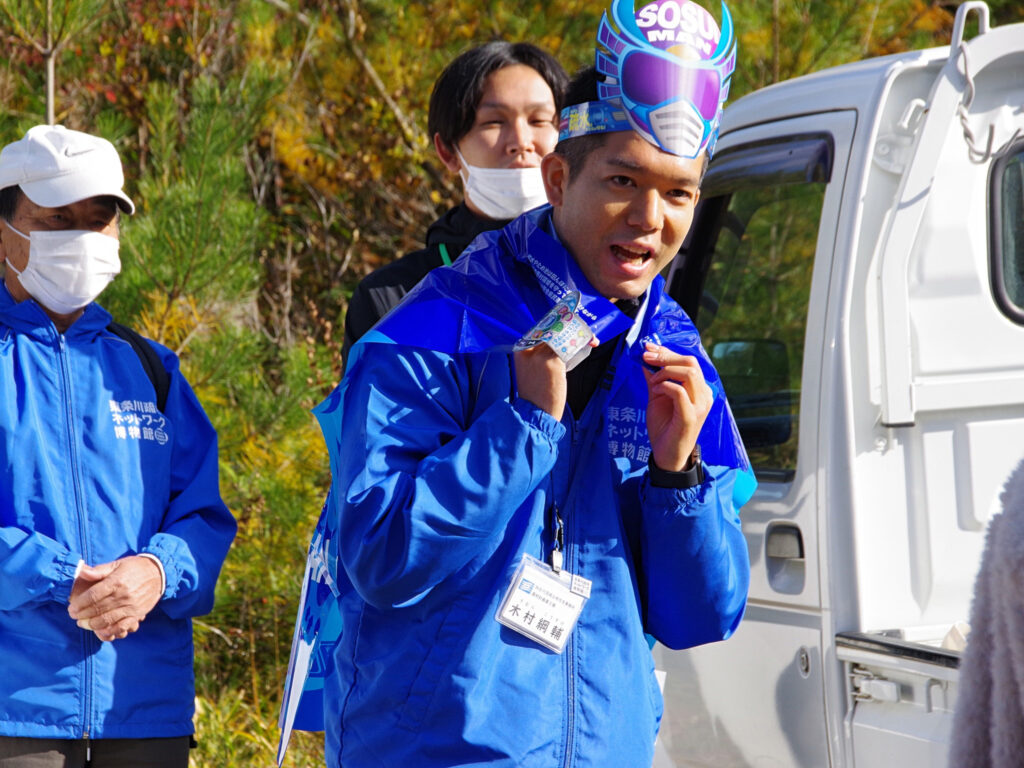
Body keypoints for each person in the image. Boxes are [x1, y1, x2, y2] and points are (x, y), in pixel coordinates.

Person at [313, 0, 751, 765]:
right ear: (557, 176)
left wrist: (677, 475)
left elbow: (699, 617)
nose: (649, 218)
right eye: (622, 180)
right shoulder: (436, 327)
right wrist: (522, 427)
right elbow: (380, 560)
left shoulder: (673, 347)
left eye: (679, 193)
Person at [0, 124, 236, 768]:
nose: (80, 236)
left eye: (97, 220)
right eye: (55, 220)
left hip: (143, 707)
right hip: (15, 711)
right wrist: (59, 577)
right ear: (4, 232)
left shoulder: (150, 367)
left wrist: (156, 571)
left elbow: (204, 514)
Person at [341, 40, 568, 363]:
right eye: (494, 122)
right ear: (448, 151)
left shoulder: (610, 274)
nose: (520, 142)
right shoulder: (393, 298)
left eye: (539, 120)